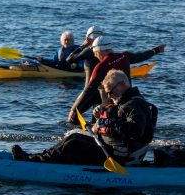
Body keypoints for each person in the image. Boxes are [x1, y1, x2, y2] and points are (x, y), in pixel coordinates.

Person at [13, 70, 157, 165]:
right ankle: (35, 158)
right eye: (107, 93)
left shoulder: (135, 104)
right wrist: (101, 112)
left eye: (111, 92)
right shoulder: (124, 101)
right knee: (73, 136)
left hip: (119, 156)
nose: (109, 96)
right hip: (108, 147)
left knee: (74, 144)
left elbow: (136, 130)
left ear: (123, 85)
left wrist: (110, 121)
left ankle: (36, 162)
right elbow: (114, 120)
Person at [67, 36, 164, 126]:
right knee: (98, 96)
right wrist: (156, 50)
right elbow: (140, 56)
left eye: (95, 53)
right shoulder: (124, 56)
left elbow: (88, 90)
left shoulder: (101, 66)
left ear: (98, 52)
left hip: (112, 99)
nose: (96, 56)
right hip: (128, 96)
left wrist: (74, 109)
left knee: (76, 113)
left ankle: (87, 128)